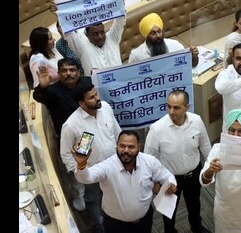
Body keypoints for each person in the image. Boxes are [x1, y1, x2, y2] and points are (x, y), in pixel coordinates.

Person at [72, 130, 178, 233]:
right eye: (122, 146)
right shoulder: (107, 166)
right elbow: (85, 178)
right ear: (116, 146)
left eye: (131, 147)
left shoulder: (150, 162)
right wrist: (81, 164)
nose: (126, 150)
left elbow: (168, 176)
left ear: (139, 148)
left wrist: (171, 184)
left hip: (144, 221)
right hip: (115, 225)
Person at [144, 90, 212, 233]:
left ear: (187, 107)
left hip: (194, 173)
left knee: (194, 205)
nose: (171, 111)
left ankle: (196, 227)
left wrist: (210, 169)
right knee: (168, 212)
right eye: (168, 107)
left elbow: (205, 146)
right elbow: (149, 158)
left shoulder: (197, 121)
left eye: (176, 107)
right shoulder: (157, 129)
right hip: (169, 178)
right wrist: (156, 183)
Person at [60, 81, 122, 233]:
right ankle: (97, 222)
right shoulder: (71, 125)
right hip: (92, 171)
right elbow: (65, 154)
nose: (97, 98)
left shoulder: (106, 107)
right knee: (93, 198)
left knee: (115, 194)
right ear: (81, 103)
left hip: (115, 165)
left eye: (96, 94)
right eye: (92, 97)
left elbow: (116, 131)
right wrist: (80, 172)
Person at [33, 57, 91, 212]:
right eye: (64, 71)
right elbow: (39, 98)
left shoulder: (87, 83)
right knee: (74, 170)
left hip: (89, 135)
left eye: (72, 70)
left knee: (93, 163)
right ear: (58, 74)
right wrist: (42, 88)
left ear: (78, 72)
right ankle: (78, 194)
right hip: (69, 140)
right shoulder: (52, 91)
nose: (68, 74)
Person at [50, 0, 126, 75]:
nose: (100, 36)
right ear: (88, 35)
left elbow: (120, 20)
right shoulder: (83, 47)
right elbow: (69, 33)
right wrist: (59, 13)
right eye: (95, 34)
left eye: (102, 32)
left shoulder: (112, 38)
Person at [129, 12, 198, 66]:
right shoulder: (136, 56)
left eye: (159, 31)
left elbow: (191, 66)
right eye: (153, 33)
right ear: (146, 35)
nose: (158, 35)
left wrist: (194, 57)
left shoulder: (175, 46)